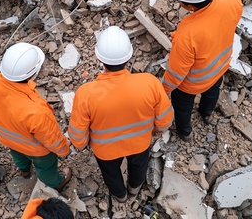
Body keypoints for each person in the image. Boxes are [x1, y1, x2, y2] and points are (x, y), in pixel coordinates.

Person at [68, 26, 174, 204]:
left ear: (100, 59)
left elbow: (77, 135)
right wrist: (155, 131)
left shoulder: (86, 94)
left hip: (106, 151)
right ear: (129, 57)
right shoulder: (149, 83)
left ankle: (121, 196)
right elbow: (165, 119)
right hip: (140, 143)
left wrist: (82, 144)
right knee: (138, 168)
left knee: (111, 174)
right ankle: (134, 190)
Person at [0, 42, 72, 191]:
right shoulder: (36, 111)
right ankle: (55, 183)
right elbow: (52, 140)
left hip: (8, 139)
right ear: (33, 73)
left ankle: (24, 170)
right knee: (46, 168)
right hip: (37, 151)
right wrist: (64, 150)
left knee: (18, 155)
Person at [163, 0, 243, 142]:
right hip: (220, 67)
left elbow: (177, 74)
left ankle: (185, 132)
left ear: (189, 6)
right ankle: (206, 113)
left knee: (182, 106)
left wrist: (163, 90)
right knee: (212, 91)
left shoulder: (188, 33)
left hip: (192, 83)